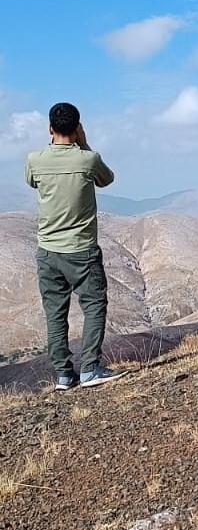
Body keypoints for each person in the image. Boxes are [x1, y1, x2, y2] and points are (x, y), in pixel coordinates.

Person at [25, 103, 127, 390]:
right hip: (82, 250)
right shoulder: (88, 160)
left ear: (49, 129)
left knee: (55, 313)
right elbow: (107, 180)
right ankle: (90, 369)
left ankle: (63, 375)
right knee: (94, 306)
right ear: (78, 128)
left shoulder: (34, 159)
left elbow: (32, 182)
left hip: (48, 251)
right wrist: (84, 144)